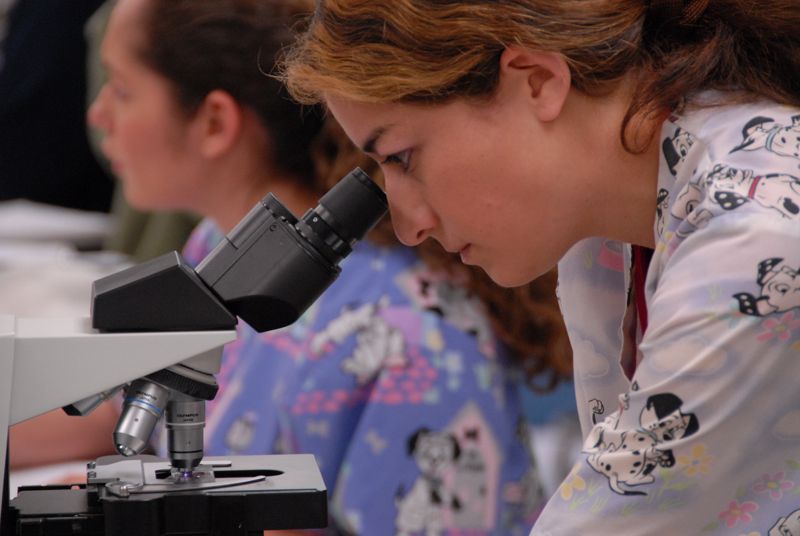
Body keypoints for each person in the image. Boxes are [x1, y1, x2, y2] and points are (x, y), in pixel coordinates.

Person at [279, 0, 800, 534]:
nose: (409, 225)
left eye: (402, 157)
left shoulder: (756, 234)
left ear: (537, 82)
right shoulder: (616, 223)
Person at [85, 0, 574, 534]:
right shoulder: (215, 250)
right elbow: (118, 414)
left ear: (216, 121)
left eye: (123, 89)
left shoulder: (407, 339)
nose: (97, 114)